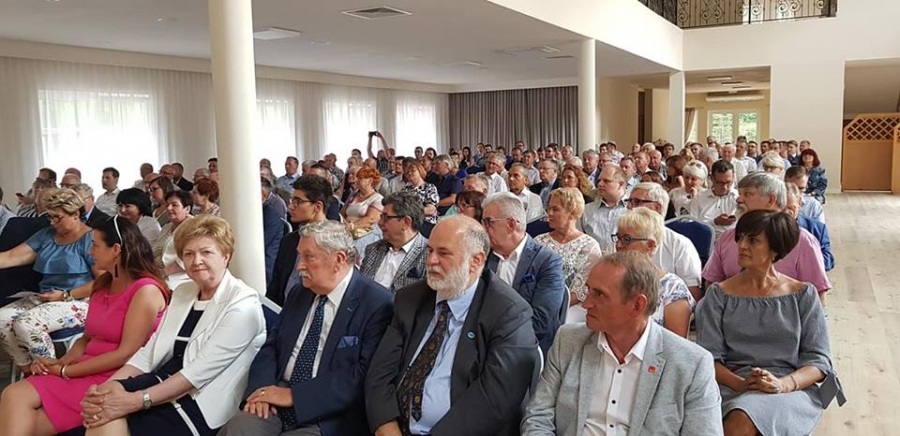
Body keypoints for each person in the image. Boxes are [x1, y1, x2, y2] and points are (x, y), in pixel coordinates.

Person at [79, 215, 266, 436]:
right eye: (188, 254)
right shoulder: (184, 292)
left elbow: (197, 374)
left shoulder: (243, 304)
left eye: (206, 252)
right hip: (164, 379)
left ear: (226, 256)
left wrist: (134, 401)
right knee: (101, 409)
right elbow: (149, 353)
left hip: (202, 399)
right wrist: (105, 389)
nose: (196, 261)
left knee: (107, 417)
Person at [365, 215, 538, 436]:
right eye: (429, 251)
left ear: (476, 261)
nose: (431, 261)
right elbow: (380, 373)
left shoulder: (508, 314)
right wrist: (386, 426)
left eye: (443, 253)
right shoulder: (410, 298)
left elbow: (493, 403)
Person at [218, 221, 393, 436]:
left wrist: (295, 396)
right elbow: (272, 347)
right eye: (299, 256)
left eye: (308, 257)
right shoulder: (300, 292)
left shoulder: (376, 303)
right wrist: (260, 390)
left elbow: (362, 375)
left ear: (338, 259)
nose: (299, 266)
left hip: (330, 413)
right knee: (239, 429)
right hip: (277, 397)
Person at [521, 252, 722, 436]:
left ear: (637, 305)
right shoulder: (568, 341)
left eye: (599, 294)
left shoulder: (692, 364)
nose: (586, 303)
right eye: (588, 290)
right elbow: (538, 417)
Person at [0, 216, 169, 435]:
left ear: (116, 249)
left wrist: (65, 371)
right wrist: (60, 362)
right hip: (85, 367)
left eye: (95, 246)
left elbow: (126, 354)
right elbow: (86, 338)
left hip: (114, 376)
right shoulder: (104, 284)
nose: (90, 252)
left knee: (17, 408)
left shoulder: (145, 291)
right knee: (14, 398)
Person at [696, 210, 842, 436]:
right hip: (729, 385)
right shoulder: (718, 295)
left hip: (791, 387)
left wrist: (782, 384)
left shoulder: (803, 295)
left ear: (775, 249)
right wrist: (740, 384)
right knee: (739, 416)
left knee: (742, 420)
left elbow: (819, 362)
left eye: (753, 240)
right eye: (740, 238)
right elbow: (707, 358)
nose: (742, 245)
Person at [0, 189, 96, 372]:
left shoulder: (90, 239)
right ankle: (29, 371)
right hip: (47, 297)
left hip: (81, 300)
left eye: (57, 217)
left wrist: (66, 295)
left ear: (75, 214)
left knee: (27, 324)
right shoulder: (46, 235)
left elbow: (105, 279)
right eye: (50, 217)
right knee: (1, 319)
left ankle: (51, 373)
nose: (52, 222)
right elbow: (11, 256)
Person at [703, 172, 832, 304]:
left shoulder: (802, 241)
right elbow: (711, 284)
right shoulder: (727, 238)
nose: (739, 199)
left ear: (771, 200)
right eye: (740, 193)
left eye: (748, 194)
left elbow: (817, 294)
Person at [483, 192, 565, 354]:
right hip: (484, 341)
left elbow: (540, 322)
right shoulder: (483, 256)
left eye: (488, 222)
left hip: (525, 347)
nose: (483, 229)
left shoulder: (548, 262)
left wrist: (495, 335)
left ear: (511, 225)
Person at [614, 209, 694, 337]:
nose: (618, 245)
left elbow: (676, 345)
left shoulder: (672, 288)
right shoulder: (610, 278)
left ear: (650, 245)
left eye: (626, 239)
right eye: (618, 238)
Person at [534, 188, 602, 324]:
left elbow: (581, 290)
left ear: (572, 213)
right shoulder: (539, 241)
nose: (549, 213)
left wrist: (552, 307)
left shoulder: (589, 246)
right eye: (549, 208)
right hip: (537, 305)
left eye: (555, 209)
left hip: (571, 309)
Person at [627, 182, 703, 301]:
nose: (630, 207)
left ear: (657, 208)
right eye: (629, 201)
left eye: (637, 202)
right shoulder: (620, 239)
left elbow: (692, 295)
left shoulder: (680, 245)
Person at [267, 176, 333, 306]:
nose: (290, 206)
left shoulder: (333, 244)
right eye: (292, 200)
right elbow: (275, 289)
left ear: (317, 206)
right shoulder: (289, 240)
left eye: (298, 201)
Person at [360, 192, 428, 293]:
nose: (379, 223)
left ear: (406, 222)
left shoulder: (429, 255)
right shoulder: (373, 249)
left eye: (386, 217)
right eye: (381, 217)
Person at [578, 164, 628, 253]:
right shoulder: (586, 210)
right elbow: (578, 240)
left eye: (606, 181)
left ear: (620, 184)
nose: (600, 184)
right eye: (599, 180)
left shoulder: (633, 210)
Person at [150, 190, 193, 290]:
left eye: (174, 205)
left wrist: (162, 273)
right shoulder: (167, 227)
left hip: (179, 278)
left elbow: (188, 258)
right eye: (167, 205)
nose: (169, 208)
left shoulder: (193, 227)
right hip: (158, 273)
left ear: (187, 209)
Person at [342, 166, 384, 260]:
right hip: (347, 229)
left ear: (370, 181)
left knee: (353, 247)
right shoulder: (353, 195)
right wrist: (344, 223)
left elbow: (370, 219)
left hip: (365, 233)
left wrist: (351, 226)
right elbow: (342, 213)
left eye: (360, 178)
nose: (356, 180)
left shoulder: (378, 198)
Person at [688, 160, 737, 239]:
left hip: (732, 241)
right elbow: (692, 226)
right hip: (704, 240)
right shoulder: (699, 198)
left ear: (733, 177)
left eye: (728, 182)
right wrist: (715, 222)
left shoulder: (739, 198)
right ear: (712, 179)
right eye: (720, 183)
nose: (725, 187)